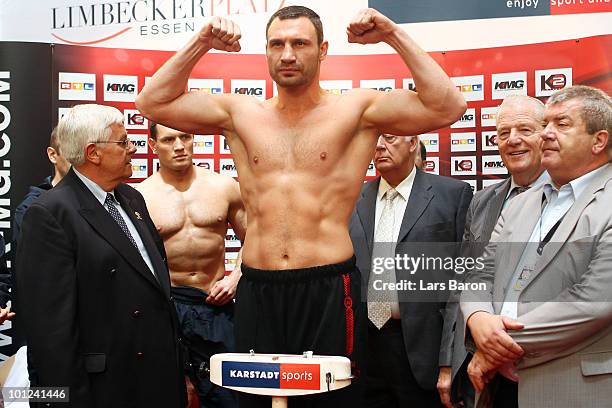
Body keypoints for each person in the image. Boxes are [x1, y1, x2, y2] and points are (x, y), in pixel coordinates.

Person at [137, 5, 465, 406]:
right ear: (266, 52)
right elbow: (152, 103)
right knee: (258, 400)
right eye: (277, 44)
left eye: (300, 43)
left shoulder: (357, 110)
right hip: (259, 287)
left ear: (322, 50)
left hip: (328, 287)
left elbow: (447, 106)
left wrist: (393, 34)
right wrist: (202, 42)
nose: (287, 54)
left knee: (331, 402)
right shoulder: (239, 113)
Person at [16, 104, 185, 408]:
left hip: (156, 379)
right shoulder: (50, 214)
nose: (132, 148)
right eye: (123, 142)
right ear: (93, 153)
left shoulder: (131, 197)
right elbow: (51, 330)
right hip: (104, 388)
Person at [460, 85, 612, 407]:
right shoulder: (520, 203)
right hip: (499, 386)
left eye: (562, 124)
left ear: (599, 141)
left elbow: (593, 302)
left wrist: (494, 346)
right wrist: (477, 317)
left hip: (571, 387)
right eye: (546, 124)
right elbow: (479, 275)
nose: (546, 134)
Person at [349, 134, 472, 407]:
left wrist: (449, 361)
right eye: (374, 138)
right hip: (365, 349)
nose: (379, 145)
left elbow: (461, 282)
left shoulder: (452, 195)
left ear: (413, 142)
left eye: (390, 138)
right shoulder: (353, 198)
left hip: (423, 350)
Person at [138, 123, 246, 408]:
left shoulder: (223, 186)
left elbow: (256, 236)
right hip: (168, 307)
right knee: (168, 396)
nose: (179, 146)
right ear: (153, 145)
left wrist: (236, 276)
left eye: (185, 137)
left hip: (215, 304)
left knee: (227, 396)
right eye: (169, 139)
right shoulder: (140, 197)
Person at [449, 95, 548, 408]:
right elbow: (467, 279)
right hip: (487, 373)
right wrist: (452, 363)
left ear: (546, 134)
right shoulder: (482, 201)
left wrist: (495, 347)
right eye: (504, 133)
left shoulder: (571, 197)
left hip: (547, 365)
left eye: (524, 130)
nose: (513, 140)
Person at [13, 127, 71, 246]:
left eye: (84, 151)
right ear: (53, 155)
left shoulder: (103, 196)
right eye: (72, 151)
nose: (79, 158)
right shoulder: (31, 207)